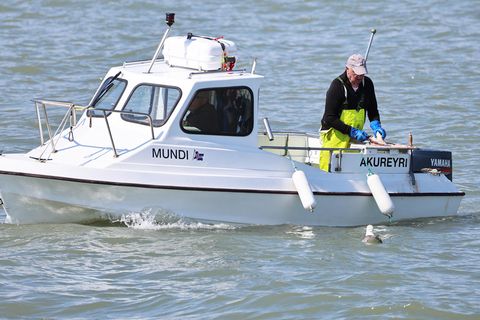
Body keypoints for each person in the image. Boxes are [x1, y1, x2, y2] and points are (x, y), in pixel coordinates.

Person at [319, 54, 387, 171]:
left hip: (354, 138)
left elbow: (372, 110)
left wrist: (376, 125)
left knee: (351, 169)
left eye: (362, 74)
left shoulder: (367, 84)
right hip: (335, 137)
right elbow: (329, 118)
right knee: (331, 168)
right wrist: (351, 131)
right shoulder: (337, 86)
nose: (359, 77)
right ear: (347, 69)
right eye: (356, 73)